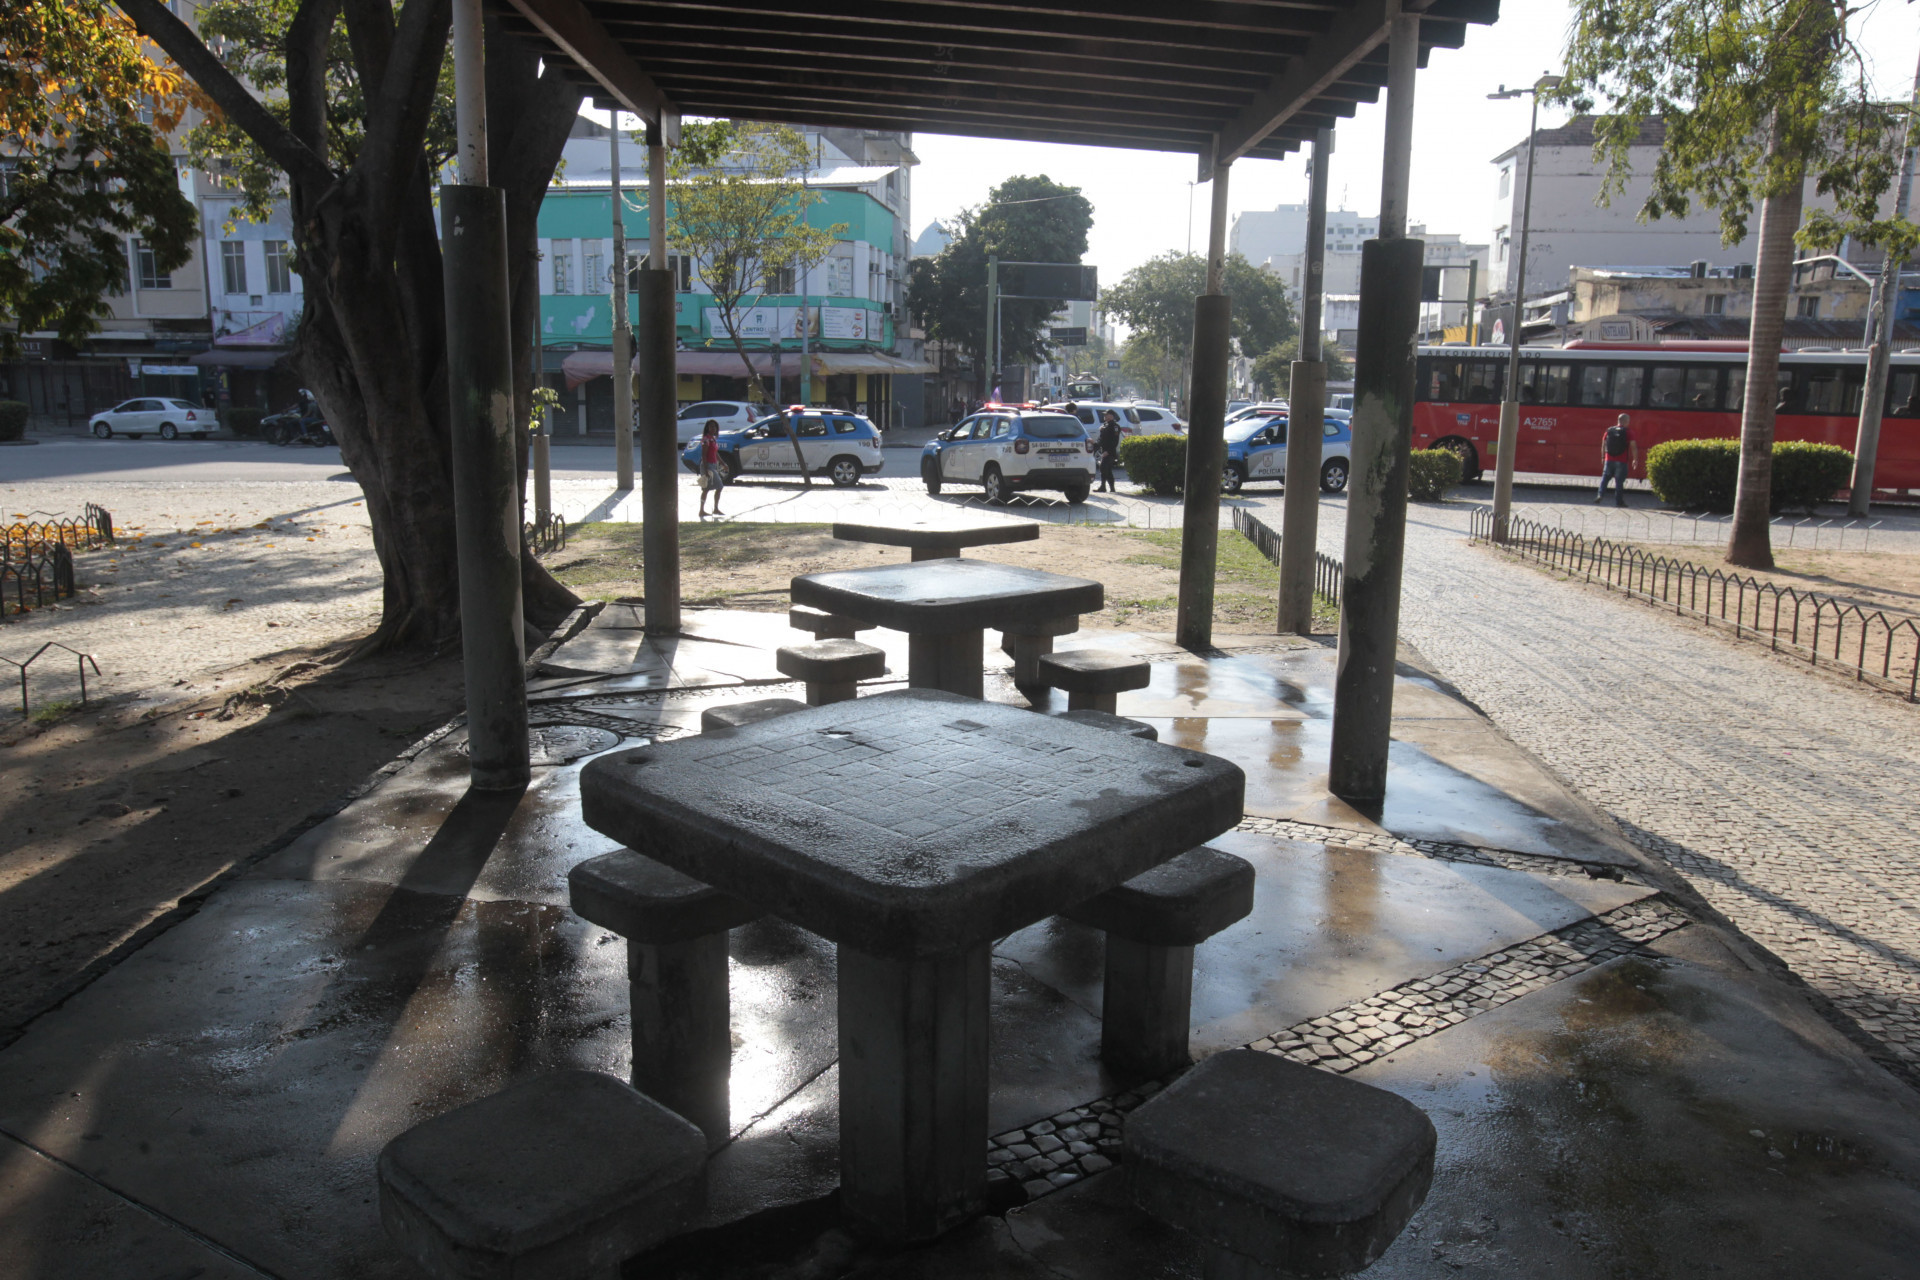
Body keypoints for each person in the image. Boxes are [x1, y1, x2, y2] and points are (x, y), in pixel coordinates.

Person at [1596, 412, 1636, 507]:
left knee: (1605, 478)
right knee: (1619, 482)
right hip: (1621, 461)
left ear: (1618, 421)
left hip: (1608, 459)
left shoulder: (1609, 430)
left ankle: (1600, 494)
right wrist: (1635, 459)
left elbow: (1604, 445)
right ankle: (1619, 501)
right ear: (1626, 421)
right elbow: (1633, 446)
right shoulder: (1628, 432)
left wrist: (1602, 457)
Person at [697, 419, 725, 516]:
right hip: (708, 466)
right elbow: (704, 455)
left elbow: (715, 453)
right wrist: (705, 470)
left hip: (712, 465)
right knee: (712, 487)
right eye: (711, 426)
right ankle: (702, 510)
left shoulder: (713, 439)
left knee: (709, 488)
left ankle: (714, 508)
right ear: (707, 428)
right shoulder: (706, 440)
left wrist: (722, 463)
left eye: (715, 427)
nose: (713, 428)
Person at [1096, 409, 1122, 493]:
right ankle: (1110, 488)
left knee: (1104, 467)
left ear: (1111, 416)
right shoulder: (1105, 425)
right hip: (1104, 450)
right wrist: (1095, 446)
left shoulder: (1115, 426)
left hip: (1110, 452)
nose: (1105, 416)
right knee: (1106, 469)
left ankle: (1104, 487)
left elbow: (1115, 441)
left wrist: (1108, 451)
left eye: (1106, 415)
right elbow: (1101, 439)